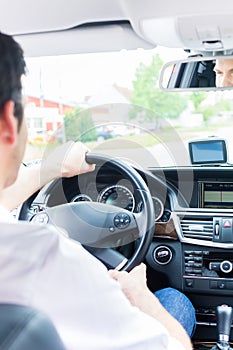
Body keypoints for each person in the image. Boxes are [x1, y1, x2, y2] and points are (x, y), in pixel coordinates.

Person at [0, 31, 195, 350]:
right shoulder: (45, 259)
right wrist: (140, 297)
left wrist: (49, 168)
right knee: (174, 300)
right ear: (10, 120)